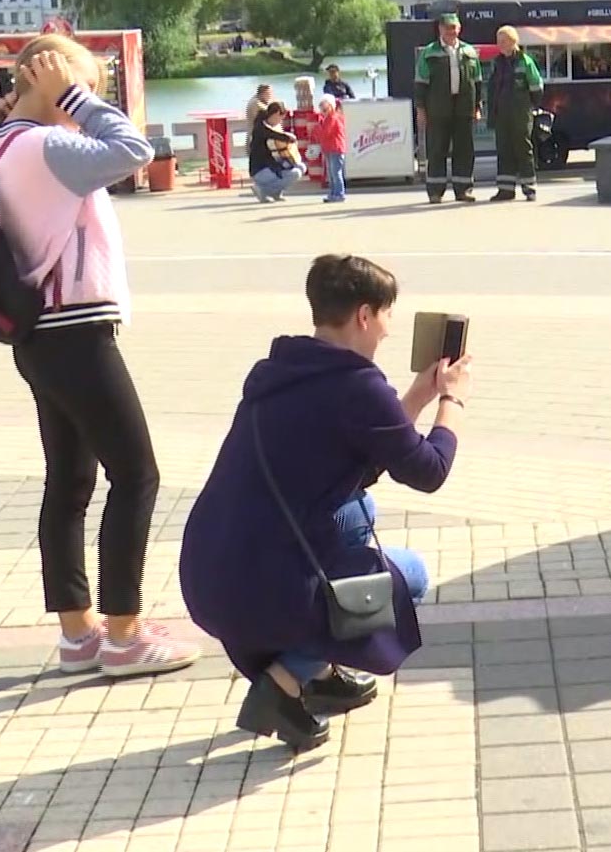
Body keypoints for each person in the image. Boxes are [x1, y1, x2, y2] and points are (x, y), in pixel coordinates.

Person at [180, 254, 470, 753]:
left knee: (358, 512)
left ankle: (322, 675)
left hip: (210, 575)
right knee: (411, 574)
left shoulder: (279, 370)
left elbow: (362, 458)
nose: (386, 330)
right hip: (261, 592)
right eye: (385, 316)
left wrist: (418, 397)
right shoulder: (358, 384)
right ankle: (285, 684)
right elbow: (428, 471)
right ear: (363, 315)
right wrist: (453, 402)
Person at [0, 34, 199, 679]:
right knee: (136, 474)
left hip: (40, 336)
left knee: (70, 482)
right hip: (74, 331)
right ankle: (125, 635)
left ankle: (79, 634)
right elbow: (134, 150)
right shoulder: (42, 146)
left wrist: (56, 94)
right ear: (45, 81)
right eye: (87, 90)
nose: (91, 104)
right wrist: (66, 92)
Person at [415, 11, 482, 203]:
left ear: (459, 29)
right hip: (437, 109)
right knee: (437, 149)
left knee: (464, 149)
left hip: (464, 107)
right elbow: (420, 83)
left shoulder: (469, 52)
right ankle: (435, 191)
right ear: (440, 29)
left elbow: (477, 82)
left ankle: (464, 190)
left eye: (454, 27)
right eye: (447, 28)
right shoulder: (429, 53)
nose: (451, 31)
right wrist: (421, 110)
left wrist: (477, 106)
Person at [486, 25, 544, 202]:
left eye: (503, 41)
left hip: (520, 113)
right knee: (504, 150)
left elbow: (537, 86)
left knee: (523, 148)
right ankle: (506, 189)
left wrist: (530, 106)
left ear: (513, 41)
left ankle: (529, 188)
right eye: (498, 41)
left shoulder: (525, 61)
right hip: (501, 114)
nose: (500, 44)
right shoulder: (497, 62)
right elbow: (492, 89)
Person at [248, 101, 303, 203]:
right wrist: (290, 138)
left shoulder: (269, 125)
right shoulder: (260, 127)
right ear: (276, 113)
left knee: (300, 167)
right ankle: (263, 190)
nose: (280, 121)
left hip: (272, 164)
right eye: (281, 118)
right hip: (260, 169)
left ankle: (276, 192)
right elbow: (274, 135)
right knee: (295, 173)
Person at [315, 95, 349, 203]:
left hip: (335, 147)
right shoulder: (330, 118)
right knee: (331, 172)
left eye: (324, 107)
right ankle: (334, 193)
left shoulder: (332, 118)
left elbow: (326, 133)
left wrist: (319, 127)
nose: (322, 110)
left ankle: (339, 193)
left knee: (335, 172)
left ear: (330, 106)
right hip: (330, 148)